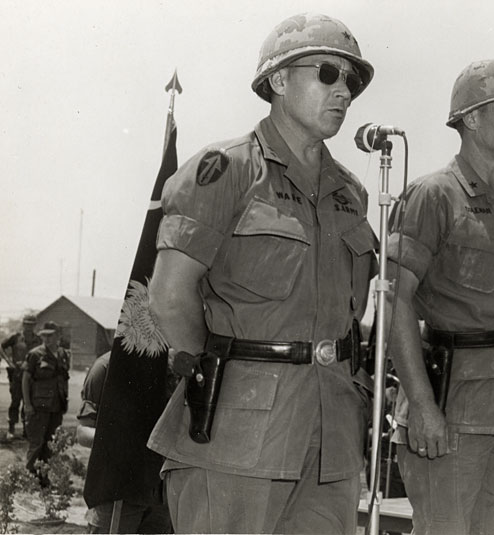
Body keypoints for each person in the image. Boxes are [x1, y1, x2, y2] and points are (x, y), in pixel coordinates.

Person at [145, 13, 377, 534]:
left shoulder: (350, 193)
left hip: (330, 439)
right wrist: (222, 373)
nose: (343, 91)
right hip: (235, 434)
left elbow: (348, 313)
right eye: (327, 73)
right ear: (277, 80)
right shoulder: (225, 171)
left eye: (351, 81)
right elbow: (169, 297)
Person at [386, 59, 494, 534]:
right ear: (469, 118)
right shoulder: (432, 196)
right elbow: (393, 302)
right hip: (453, 408)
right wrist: (422, 406)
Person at [77, 352, 173, 533]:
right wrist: (122, 440)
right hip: (118, 488)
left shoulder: (171, 365)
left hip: (160, 492)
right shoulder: (107, 367)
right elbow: (83, 432)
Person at [21, 321, 69, 483]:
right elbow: (25, 379)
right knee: (36, 443)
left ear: (58, 336)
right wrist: (27, 405)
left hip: (56, 407)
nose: (47, 339)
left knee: (50, 444)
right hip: (38, 407)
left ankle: (43, 477)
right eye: (44, 336)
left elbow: (64, 378)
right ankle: (28, 478)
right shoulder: (35, 354)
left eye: (51, 336)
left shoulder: (63, 354)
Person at [1, 314, 40, 439]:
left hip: (32, 377)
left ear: (35, 326)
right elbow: (1, 346)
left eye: (31, 324)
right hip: (17, 376)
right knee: (15, 402)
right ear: (23, 324)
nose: (29, 327)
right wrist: (9, 362)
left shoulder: (38, 340)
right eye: (26, 324)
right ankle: (11, 429)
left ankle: (26, 430)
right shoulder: (16, 338)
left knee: (28, 403)